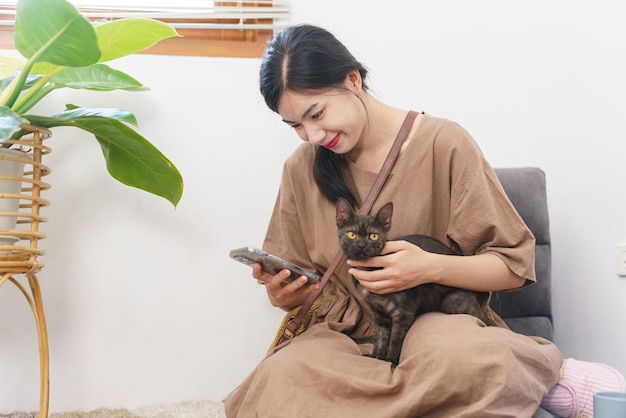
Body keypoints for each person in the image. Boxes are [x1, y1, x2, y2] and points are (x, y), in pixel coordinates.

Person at [225, 24, 625, 417]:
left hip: (433, 319)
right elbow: (303, 280)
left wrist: (429, 266)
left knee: (464, 363)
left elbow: (513, 268)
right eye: (295, 125)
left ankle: (538, 373)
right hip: (342, 337)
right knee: (279, 382)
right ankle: (501, 388)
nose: (311, 135)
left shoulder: (443, 142)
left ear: (352, 80)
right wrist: (285, 295)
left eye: (316, 114)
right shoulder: (301, 168)